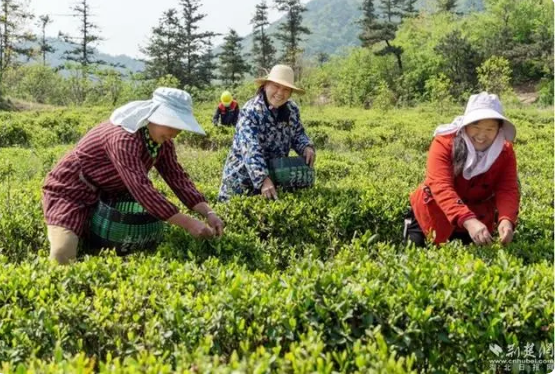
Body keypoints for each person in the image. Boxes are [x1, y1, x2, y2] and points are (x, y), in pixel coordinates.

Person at [42, 87, 225, 264]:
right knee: (62, 256)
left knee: (113, 247)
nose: (175, 134)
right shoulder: (124, 139)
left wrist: (208, 212)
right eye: (172, 125)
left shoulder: (162, 142)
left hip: (108, 194)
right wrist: (188, 223)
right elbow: (141, 188)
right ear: (153, 116)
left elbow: (177, 177)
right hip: (71, 192)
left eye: (179, 128)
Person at [405, 92, 519, 247]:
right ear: (466, 125)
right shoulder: (444, 143)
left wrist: (506, 219)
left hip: (478, 219)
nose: (481, 135)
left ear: (499, 129)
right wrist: (468, 220)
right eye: (476, 126)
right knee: (416, 257)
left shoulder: (505, 151)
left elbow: (507, 188)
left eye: (490, 129)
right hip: (433, 215)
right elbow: (440, 186)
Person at [218, 64, 316, 201]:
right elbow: (250, 149)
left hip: (273, 179)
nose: (280, 93)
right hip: (241, 181)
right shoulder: (250, 111)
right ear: (265, 85)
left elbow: (298, 133)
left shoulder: (291, 110)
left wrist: (306, 146)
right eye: (276, 86)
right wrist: (262, 178)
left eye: (286, 89)